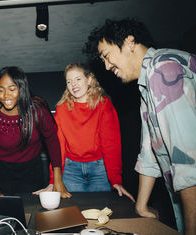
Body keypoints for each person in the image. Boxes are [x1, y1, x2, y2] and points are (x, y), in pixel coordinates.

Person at [83, 18, 196, 235]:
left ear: (130, 42)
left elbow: (190, 165)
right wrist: (141, 206)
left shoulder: (163, 69)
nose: (106, 65)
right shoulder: (147, 82)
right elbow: (150, 151)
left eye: (106, 55)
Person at [37, 63, 134, 202]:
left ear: (89, 80)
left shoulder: (103, 104)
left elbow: (111, 144)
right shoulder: (62, 109)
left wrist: (116, 179)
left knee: (102, 211)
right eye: (69, 81)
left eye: (78, 79)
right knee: (73, 213)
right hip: (71, 170)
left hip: (99, 169)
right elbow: (58, 147)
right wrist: (54, 180)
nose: (73, 85)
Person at [0, 66, 71, 198]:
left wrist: (58, 180)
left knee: (34, 212)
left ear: (21, 89)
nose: (6, 95)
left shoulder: (37, 110)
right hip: (2, 173)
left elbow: (52, 141)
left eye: (12, 89)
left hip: (32, 170)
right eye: (1, 90)